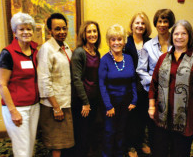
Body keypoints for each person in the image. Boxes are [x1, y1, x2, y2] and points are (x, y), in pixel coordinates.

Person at [148, 20, 193, 157]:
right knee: (159, 150)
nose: (179, 37)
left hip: (186, 117)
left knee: (180, 151)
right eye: (176, 33)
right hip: (162, 114)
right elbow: (154, 83)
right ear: (172, 36)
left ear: (189, 36)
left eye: (184, 33)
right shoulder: (163, 58)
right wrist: (151, 106)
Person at [0, 12, 40, 157]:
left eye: (29, 29)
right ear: (15, 32)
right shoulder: (7, 53)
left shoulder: (34, 50)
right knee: (22, 150)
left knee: (29, 146)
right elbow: (2, 84)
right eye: (21, 29)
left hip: (34, 106)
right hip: (17, 108)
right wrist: (13, 111)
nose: (26, 32)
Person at [136, 9, 175, 152]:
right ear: (156, 23)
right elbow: (140, 70)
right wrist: (154, 83)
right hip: (152, 94)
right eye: (160, 21)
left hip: (173, 94)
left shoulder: (177, 43)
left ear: (170, 23)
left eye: (165, 21)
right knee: (154, 130)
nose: (162, 24)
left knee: (171, 130)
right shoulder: (147, 46)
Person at [37, 13, 74, 157]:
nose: (62, 32)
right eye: (57, 29)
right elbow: (44, 80)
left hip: (66, 102)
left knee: (64, 144)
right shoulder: (46, 49)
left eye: (64, 28)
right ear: (50, 31)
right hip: (54, 105)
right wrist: (56, 107)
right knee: (56, 146)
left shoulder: (66, 47)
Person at [99, 24, 137, 157]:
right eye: (113, 39)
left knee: (121, 130)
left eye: (119, 39)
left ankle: (120, 154)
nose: (116, 42)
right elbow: (102, 84)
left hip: (126, 102)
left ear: (124, 41)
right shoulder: (105, 60)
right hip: (110, 103)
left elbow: (133, 80)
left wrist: (134, 99)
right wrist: (108, 106)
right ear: (109, 42)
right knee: (109, 132)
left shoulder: (129, 58)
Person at [71, 20, 101, 157]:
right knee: (82, 134)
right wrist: (85, 102)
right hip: (82, 102)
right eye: (89, 31)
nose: (92, 34)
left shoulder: (96, 52)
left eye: (95, 31)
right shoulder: (79, 53)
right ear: (84, 34)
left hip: (94, 99)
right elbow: (76, 79)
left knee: (92, 132)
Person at [124, 12, 152, 155]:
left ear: (146, 26)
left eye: (142, 23)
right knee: (131, 118)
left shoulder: (151, 42)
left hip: (146, 87)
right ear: (132, 25)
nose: (140, 26)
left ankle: (140, 142)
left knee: (143, 117)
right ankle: (130, 146)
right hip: (129, 87)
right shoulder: (125, 42)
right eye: (137, 23)